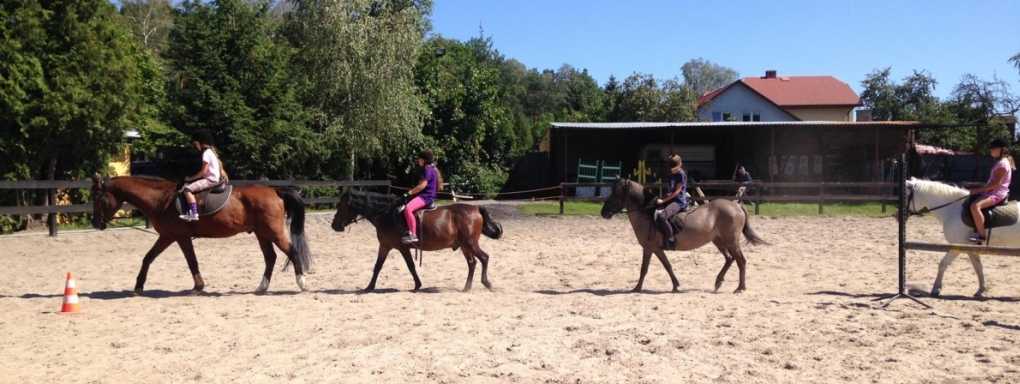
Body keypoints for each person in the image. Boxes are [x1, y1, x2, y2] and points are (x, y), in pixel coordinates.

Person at [967, 138, 1015, 243]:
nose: (991, 150)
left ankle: (981, 235)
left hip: (997, 193)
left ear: (1003, 149)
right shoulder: (1000, 162)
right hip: (992, 191)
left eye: (994, 148)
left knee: (975, 206)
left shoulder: (1002, 164)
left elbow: (996, 184)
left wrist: (977, 190)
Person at [179, 129, 226, 221]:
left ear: (202, 143)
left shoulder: (206, 154)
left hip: (210, 180)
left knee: (187, 189)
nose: (196, 146)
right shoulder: (210, 152)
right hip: (213, 179)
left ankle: (194, 213)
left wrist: (190, 178)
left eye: (196, 144)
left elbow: (203, 172)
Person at [401, 149, 444, 243]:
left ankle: (413, 234)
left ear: (425, 160)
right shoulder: (430, 169)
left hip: (426, 197)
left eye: (419, 159)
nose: (418, 160)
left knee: (408, 208)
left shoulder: (428, 170)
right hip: (425, 196)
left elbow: (422, 186)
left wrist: (409, 193)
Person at [655, 155, 689, 249]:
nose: (672, 170)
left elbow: (677, 192)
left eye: (674, 168)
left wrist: (663, 200)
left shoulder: (681, 174)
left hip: (679, 201)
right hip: (672, 199)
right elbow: (669, 191)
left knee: (662, 217)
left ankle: (671, 240)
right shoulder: (670, 175)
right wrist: (661, 198)